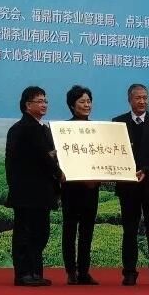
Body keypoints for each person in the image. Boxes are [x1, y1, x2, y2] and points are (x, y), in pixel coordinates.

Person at [113, 84, 149, 287]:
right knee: (129, 230)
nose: (142, 101)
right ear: (130, 99)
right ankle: (129, 273)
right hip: (128, 185)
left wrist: (145, 169)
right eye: (138, 98)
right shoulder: (118, 123)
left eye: (145, 97)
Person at [5, 85, 63, 287]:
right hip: (26, 192)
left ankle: (35, 272)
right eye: (39, 101)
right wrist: (58, 172)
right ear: (27, 105)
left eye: (45, 101)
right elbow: (38, 158)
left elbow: (50, 156)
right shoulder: (21, 129)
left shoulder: (43, 129)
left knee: (40, 233)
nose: (44, 104)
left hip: (42, 192)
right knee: (25, 234)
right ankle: (23, 274)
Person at [61, 85, 99, 286]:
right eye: (82, 101)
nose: (87, 105)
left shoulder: (99, 130)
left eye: (89, 101)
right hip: (71, 188)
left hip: (92, 187)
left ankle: (84, 271)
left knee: (87, 231)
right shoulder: (63, 130)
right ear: (72, 105)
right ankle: (71, 271)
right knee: (69, 230)